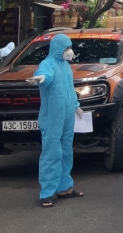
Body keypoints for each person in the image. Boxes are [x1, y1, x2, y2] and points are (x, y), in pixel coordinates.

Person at [27, 34, 84, 207]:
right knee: (52, 152)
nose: (70, 51)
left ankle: (65, 187)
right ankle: (47, 192)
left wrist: (76, 106)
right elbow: (45, 75)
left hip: (67, 115)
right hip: (52, 115)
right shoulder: (48, 64)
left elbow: (70, 89)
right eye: (67, 48)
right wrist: (41, 79)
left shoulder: (66, 67)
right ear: (58, 49)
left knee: (66, 150)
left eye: (70, 48)